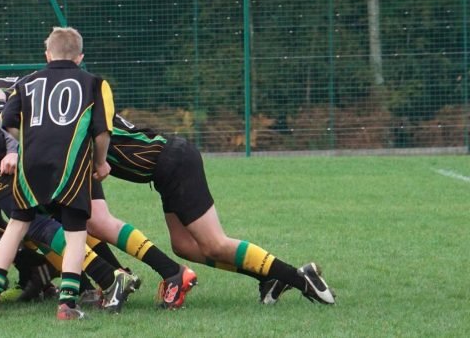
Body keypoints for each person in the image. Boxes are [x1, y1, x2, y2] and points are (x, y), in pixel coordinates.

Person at [97, 115, 337, 306]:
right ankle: (268, 277)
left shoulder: (80, 118)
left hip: (174, 162)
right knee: (184, 246)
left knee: (215, 244)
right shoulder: (81, 107)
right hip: (166, 170)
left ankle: (300, 277)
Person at [0, 27, 112, 320]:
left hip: (30, 165)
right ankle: (67, 304)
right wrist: (100, 162)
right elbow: (101, 131)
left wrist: (21, 147)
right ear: (80, 57)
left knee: (17, 224)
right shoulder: (93, 83)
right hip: (71, 167)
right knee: (76, 234)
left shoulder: (28, 82)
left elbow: (7, 122)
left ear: (47, 54)